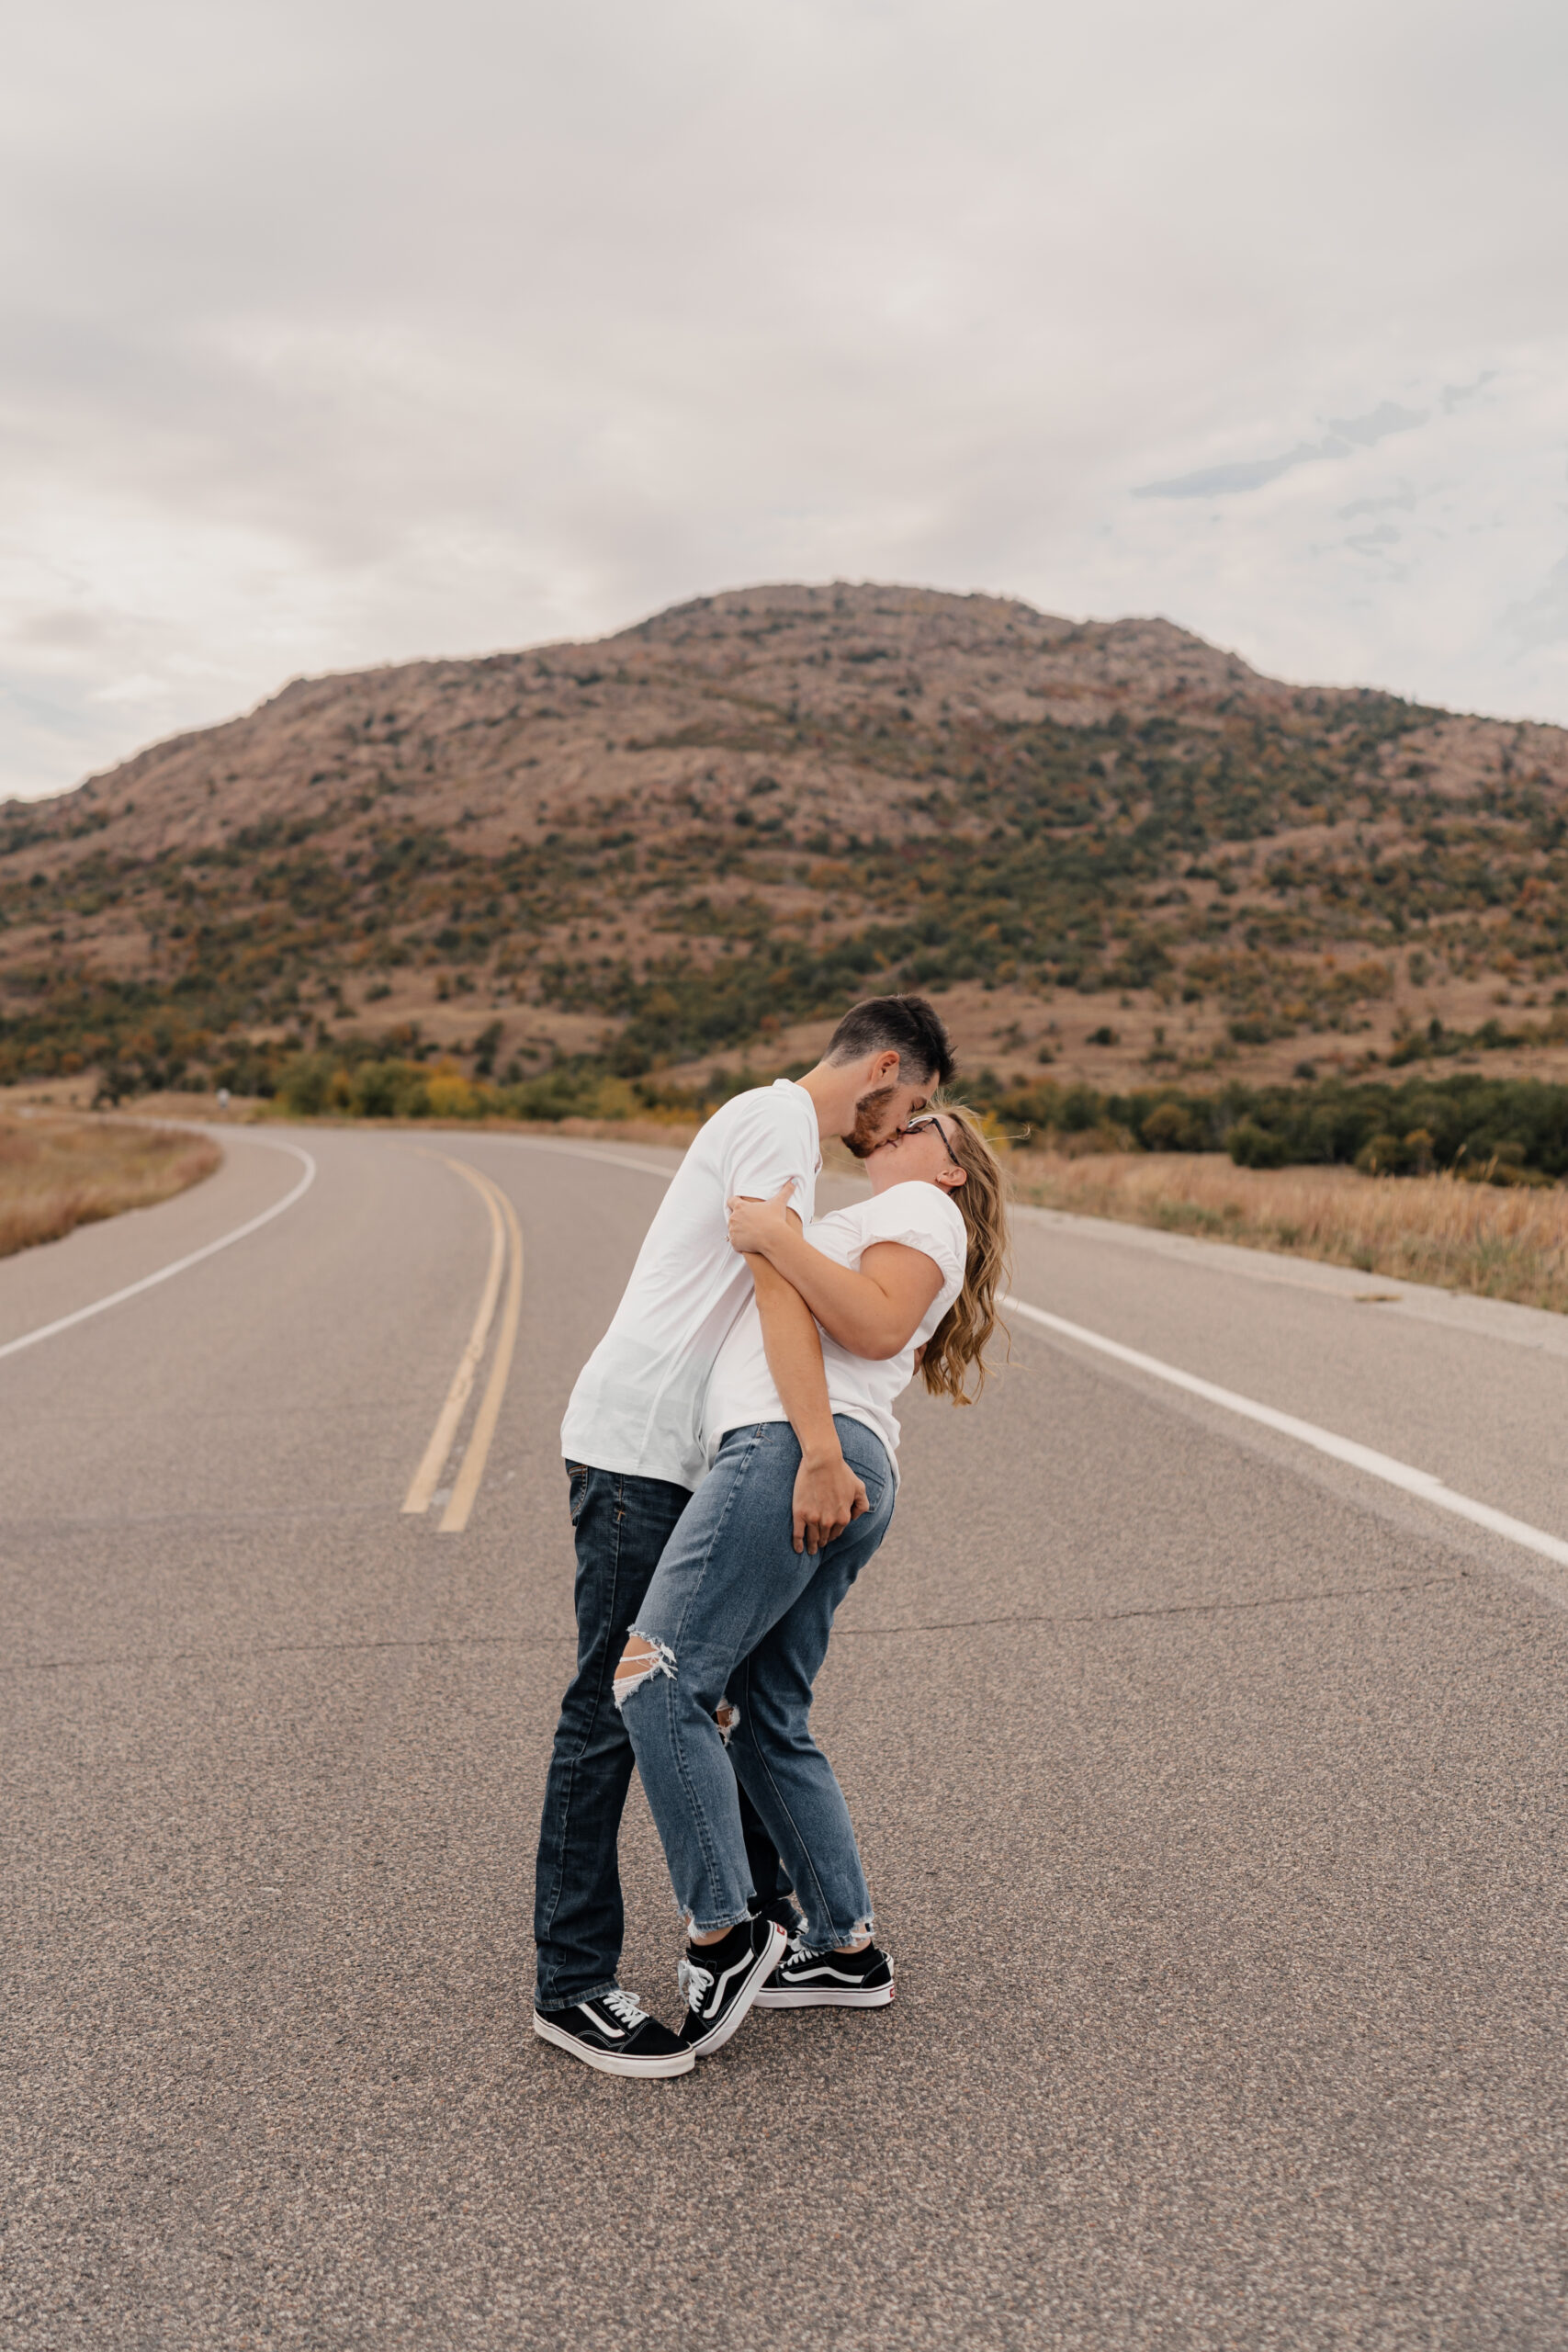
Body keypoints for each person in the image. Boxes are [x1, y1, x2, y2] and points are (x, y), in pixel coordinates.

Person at [533, 995, 955, 2078]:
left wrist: (811, 1443)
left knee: (710, 1687)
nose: (905, 1123)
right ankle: (576, 1985)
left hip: (685, 1450)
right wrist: (816, 1443)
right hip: (641, 1445)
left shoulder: (793, 1147)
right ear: (889, 1069)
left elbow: (802, 1290)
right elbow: (774, 1283)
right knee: (613, 1701)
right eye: (916, 1104)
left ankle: (762, 1922)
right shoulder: (778, 1126)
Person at [613, 1103, 1008, 2057]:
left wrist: (777, 1236)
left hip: (796, 1452)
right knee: (762, 1710)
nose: (904, 1126)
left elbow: (873, 1326)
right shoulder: (888, 1214)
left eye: (927, 1123)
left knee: (653, 1678)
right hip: (822, 1457)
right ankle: (842, 1945)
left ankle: (726, 1930)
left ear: (953, 1170)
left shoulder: (923, 1213)